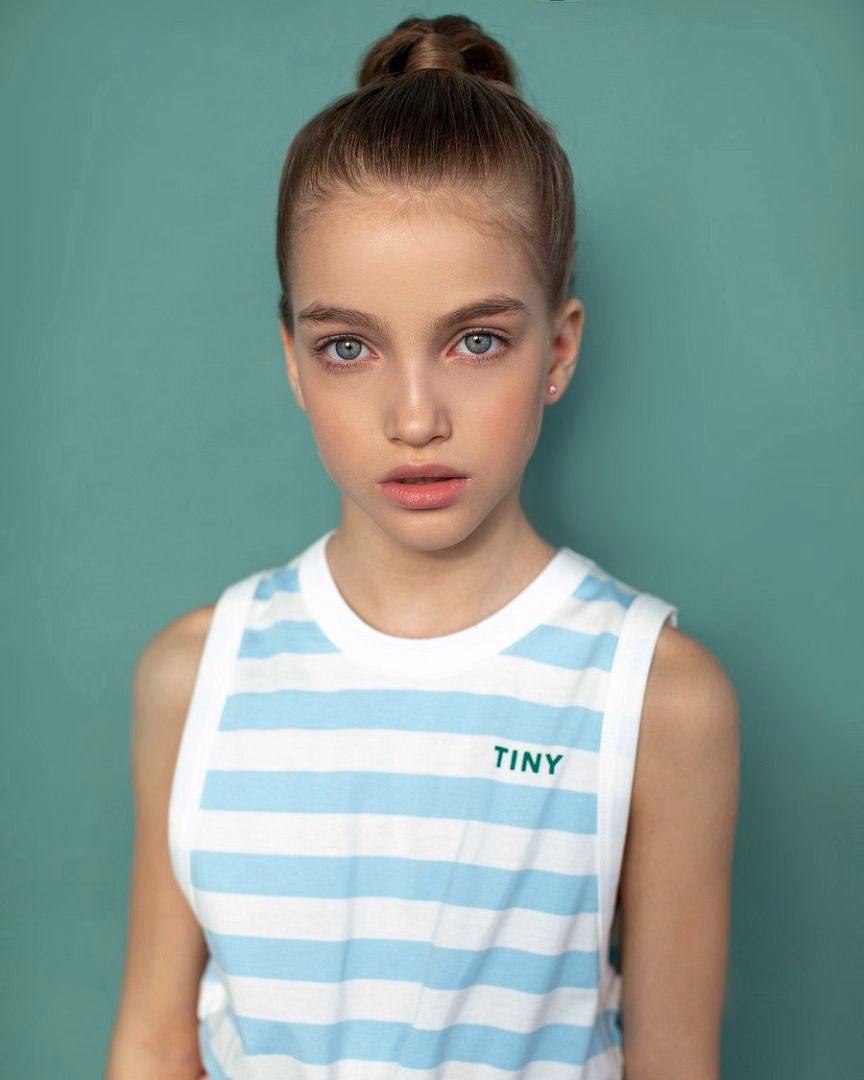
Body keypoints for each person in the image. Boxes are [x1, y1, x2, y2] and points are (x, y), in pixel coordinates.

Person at [105, 13, 739, 1080]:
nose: (413, 418)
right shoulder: (195, 676)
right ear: (293, 359)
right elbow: (152, 1043)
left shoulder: (658, 698)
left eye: (475, 340)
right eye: (348, 346)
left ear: (558, 350)